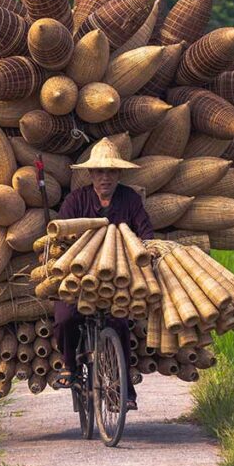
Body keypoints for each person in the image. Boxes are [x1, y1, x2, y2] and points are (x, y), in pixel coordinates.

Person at [52, 138, 154, 410]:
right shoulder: (77, 200)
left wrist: (145, 251)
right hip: (80, 279)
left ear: (119, 174)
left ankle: (124, 390)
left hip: (117, 280)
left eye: (110, 172)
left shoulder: (129, 199)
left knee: (119, 324)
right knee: (65, 318)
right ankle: (70, 367)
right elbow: (61, 233)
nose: (105, 177)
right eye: (99, 172)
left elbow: (145, 234)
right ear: (91, 175)